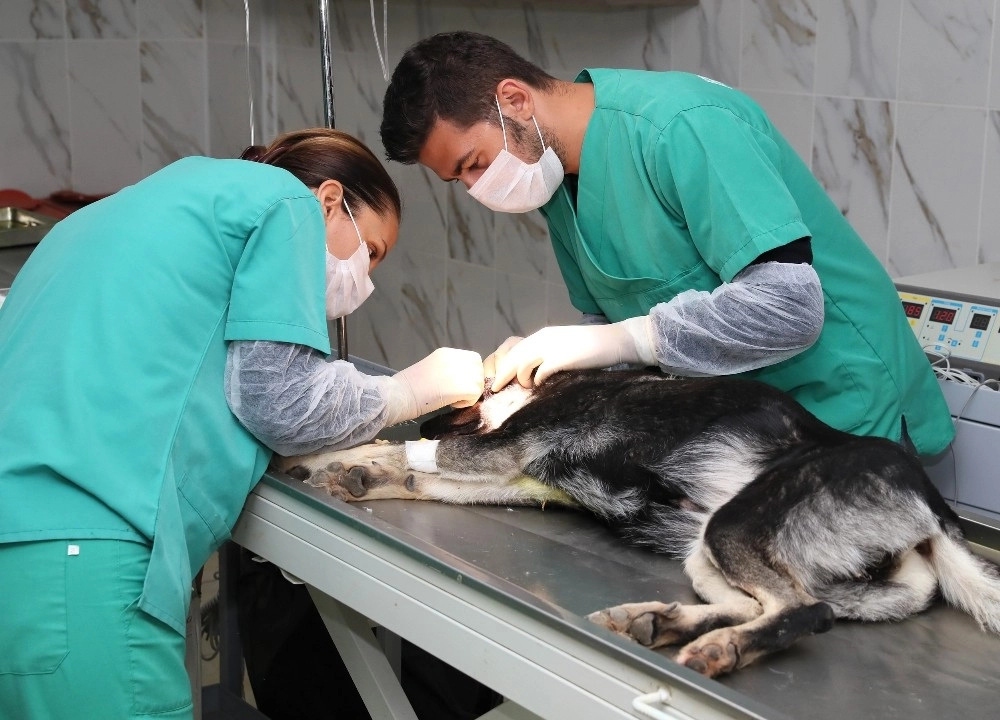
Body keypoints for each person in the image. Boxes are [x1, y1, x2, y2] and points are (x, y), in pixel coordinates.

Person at [0, 128, 484, 719]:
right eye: (371, 251)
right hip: (85, 566)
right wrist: (411, 390)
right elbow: (280, 401)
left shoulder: (115, 213)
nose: (366, 279)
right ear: (329, 201)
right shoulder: (285, 203)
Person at [379, 30, 954, 456]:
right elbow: (605, 323)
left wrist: (623, 339)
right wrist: (531, 381)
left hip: (840, 407)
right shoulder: (554, 179)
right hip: (744, 423)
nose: (480, 188)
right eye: (462, 181)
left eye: (475, 163)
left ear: (515, 101)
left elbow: (790, 309)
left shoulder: (683, 126)